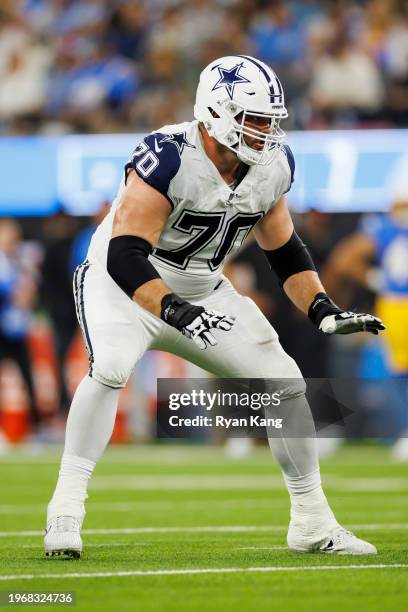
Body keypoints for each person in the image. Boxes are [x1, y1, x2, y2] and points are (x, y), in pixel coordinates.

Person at [44, 55, 384, 558]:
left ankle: (312, 522)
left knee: (285, 382)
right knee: (111, 368)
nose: (266, 130)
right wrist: (174, 309)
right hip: (121, 285)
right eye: (254, 118)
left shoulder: (271, 166)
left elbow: (284, 250)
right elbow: (125, 253)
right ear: (217, 111)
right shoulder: (169, 155)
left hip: (204, 288)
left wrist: (321, 308)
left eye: (271, 118)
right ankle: (66, 510)